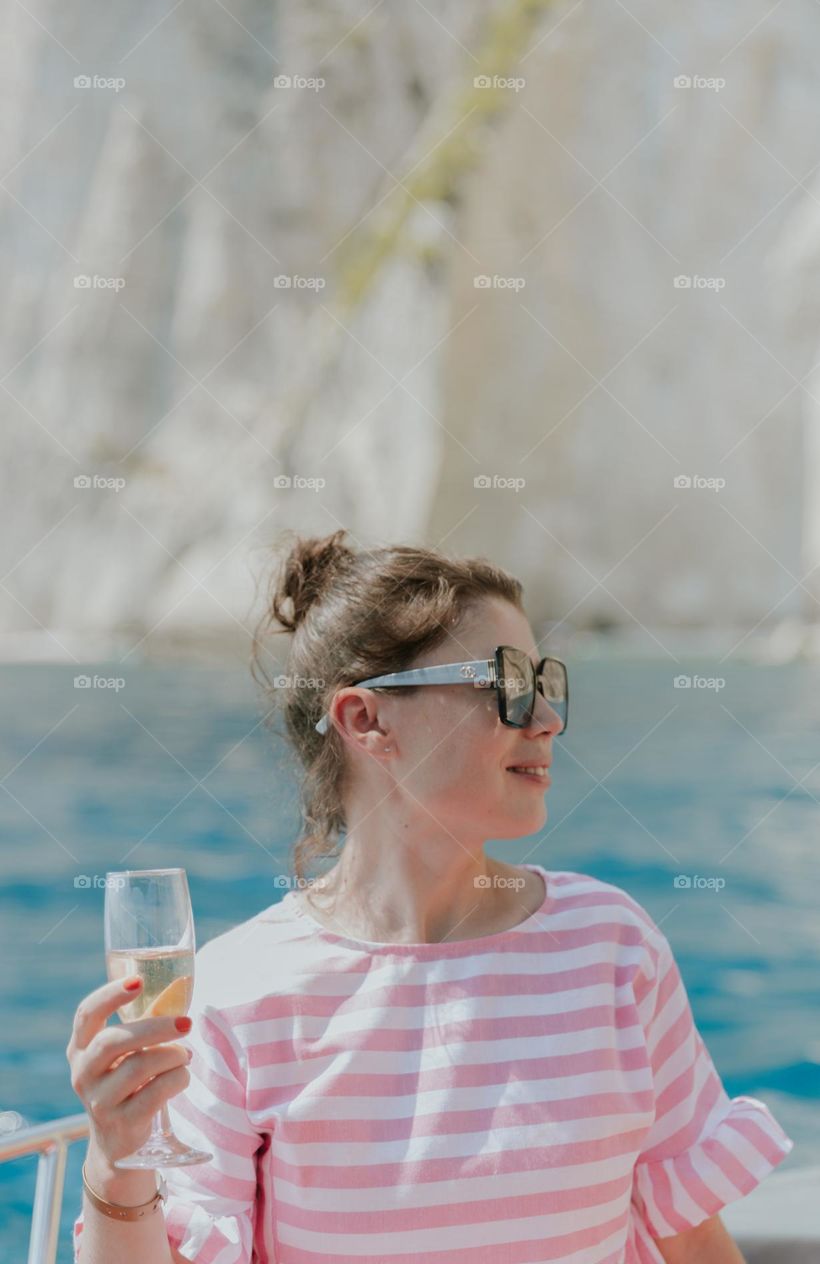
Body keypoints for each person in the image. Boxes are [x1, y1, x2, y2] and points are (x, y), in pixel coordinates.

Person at [68, 529, 793, 1263]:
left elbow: (689, 1235)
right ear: (367, 720)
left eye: (547, 683)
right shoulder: (238, 998)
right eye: (507, 684)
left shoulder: (612, 945)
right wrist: (116, 1162)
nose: (546, 719)